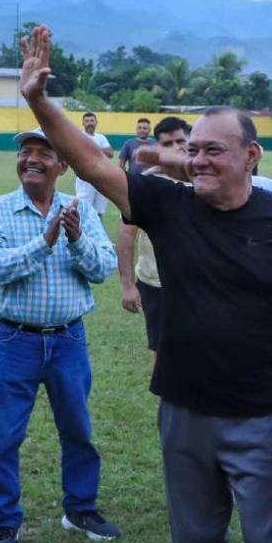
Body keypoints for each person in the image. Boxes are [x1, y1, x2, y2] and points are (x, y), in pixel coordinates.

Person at [18, 26, 272, 543]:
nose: (199, 160)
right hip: (183, 410)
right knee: (195, 541)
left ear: (252, 156)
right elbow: (92, 163)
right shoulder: (168, 204)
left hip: (262, 415)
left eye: (215, 150)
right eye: (193, 149)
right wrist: (40, 102)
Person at [0, 128, 119, 543]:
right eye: (25, 153)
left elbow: (103, 269)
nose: (32, 159)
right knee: (4, 436)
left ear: (63, 165)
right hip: (16, 340)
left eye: (43, 153)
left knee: (78, 431)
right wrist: (45, 240)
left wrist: (74, 239)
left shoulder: (82, 212)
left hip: (69, 340)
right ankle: (3, 522)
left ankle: (80, 510)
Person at [116, 118, 190, 365]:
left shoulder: (208, 179)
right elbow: (127, 234)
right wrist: (127, 284)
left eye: (181, 140)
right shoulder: (146, 184)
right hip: (155, 281)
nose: (177, 147)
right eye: (168, 143)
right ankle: (166, 401)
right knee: (161, 351)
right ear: (158, 148)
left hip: (200, 280)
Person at [73, 111, 114, 217]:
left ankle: (97, 233)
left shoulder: (101, 137)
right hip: (85, 178)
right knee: (83, 208)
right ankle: (82, 233)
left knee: (99, 210)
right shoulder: (78, 136)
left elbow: (110, 153)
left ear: (96, 122)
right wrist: (99, 150)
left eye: (92, 120)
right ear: (83, 123)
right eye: (87, 121)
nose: (90, 123)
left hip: (102, 177)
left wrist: (91, 149)